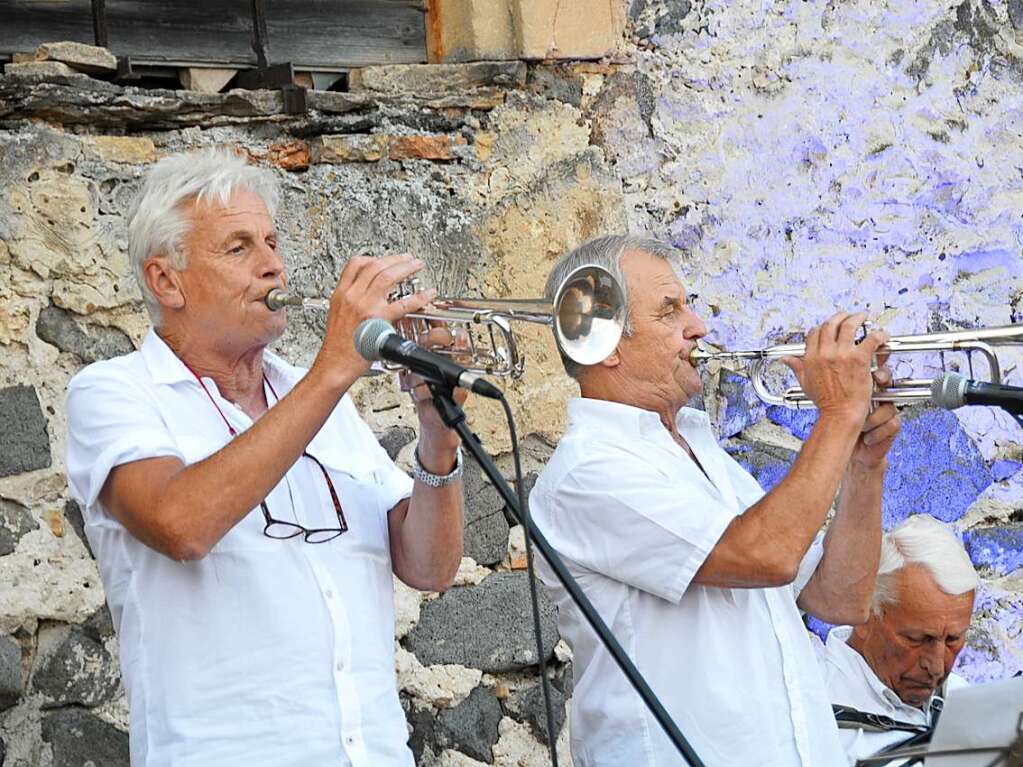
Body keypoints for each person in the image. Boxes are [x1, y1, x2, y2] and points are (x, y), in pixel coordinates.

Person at [64, 149, 466, 766]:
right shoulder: (114, 392)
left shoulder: (313, 392)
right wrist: (334, 370)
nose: (273, 265)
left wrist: (438, 437)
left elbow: (429, 567)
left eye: (273, 243)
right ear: (165, 281)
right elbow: (183, 525)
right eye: (239, 248)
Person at [530, 234, 902, 766]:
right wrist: (838, 416)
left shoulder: (705, 452)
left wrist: (865, 464)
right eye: (670, 310)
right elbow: (765, 556)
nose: (698, 326)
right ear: (600, 341)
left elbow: (839, 601)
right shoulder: (589, 472)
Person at [818, 514, 978, 765]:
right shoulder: (811, 709)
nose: (936, 666)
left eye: (953, 640)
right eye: (917, 639)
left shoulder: (964, 700)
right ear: (864, 615)